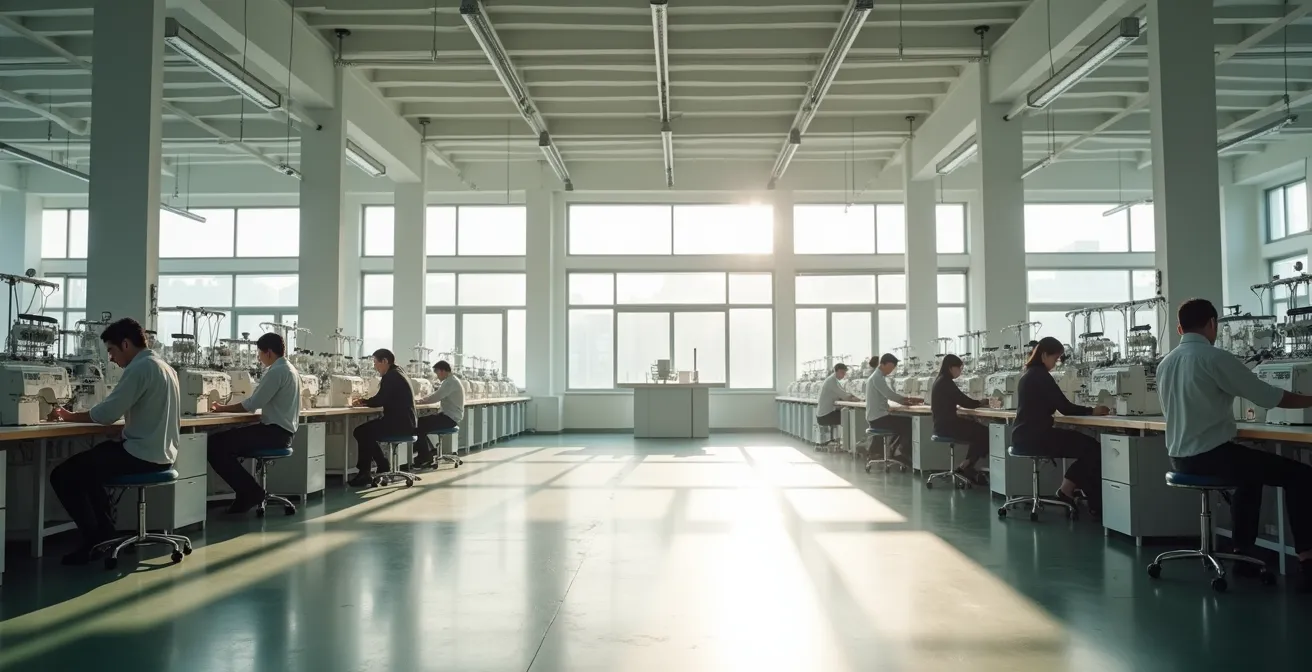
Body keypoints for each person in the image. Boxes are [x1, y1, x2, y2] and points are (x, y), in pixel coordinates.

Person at [1157, 298, 1312, 591]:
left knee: (1249, 477)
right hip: (1211, 456)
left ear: (1179, 328)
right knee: (1301, 475)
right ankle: (1307, 559)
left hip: (1179, 458)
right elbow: (1269, 397)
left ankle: (1243, 553)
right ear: (1212, 324)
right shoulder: (1215, 358)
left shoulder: (1166, 363)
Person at [50, 318, 181, 565]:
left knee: (63, 475)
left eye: (111, 350)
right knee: (90, 469)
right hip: (161, 455)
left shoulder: (140, 368)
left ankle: (94, 540)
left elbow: (107, 414)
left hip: (142, 456)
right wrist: (123, 431)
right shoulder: (165, 367)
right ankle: (105, 534)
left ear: (125, 344)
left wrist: (69, 416)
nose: (111, 358)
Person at [1012, 336, 1110, 515]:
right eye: (1055, 358)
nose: (1056, 364)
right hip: (1038, 437)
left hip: (1023, 436)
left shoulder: (1028, 374)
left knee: (1088, 447)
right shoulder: (1041, 376)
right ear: (1044, 355)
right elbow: (1065, 408)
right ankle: (1070, 491)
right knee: (1093, 449)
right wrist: (1092, 411)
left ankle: (1074, 491)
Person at [207, 333, 301, 513]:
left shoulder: (276, 371)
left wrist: (220, 408)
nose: (259, 358)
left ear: (268, 352)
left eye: (259, 353)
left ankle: (250, 492)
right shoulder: (291, 370)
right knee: (227, 440)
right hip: (283, 433)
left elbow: (252, 405)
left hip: (274, 434)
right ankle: (248, 491)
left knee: (215, 445)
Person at [348, 349, 417, 487]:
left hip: (399, 424)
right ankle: (381, 465)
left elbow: (380, 399)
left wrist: (363, 401)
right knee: (366, 432)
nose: (374, 366)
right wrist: (367, 401)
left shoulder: (391, 376)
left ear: (385, 361)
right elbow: (384, 397)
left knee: (361, 432)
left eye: (376, 362)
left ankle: (366, 473)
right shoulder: (399, 372)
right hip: (406, 422)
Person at [931, 354, 988, 484]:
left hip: (941, 426)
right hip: (948, 427)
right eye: (959, 368)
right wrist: (981, 402)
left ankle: (967, 464)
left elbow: (956, 400)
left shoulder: (939, 380)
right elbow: (964, 401)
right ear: (951, 368)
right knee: (984, 432)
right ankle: (967, 465)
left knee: (976, 428)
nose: (960, 372)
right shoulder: (946, 382)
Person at [866, 354, 924, 463]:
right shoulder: (877, 378)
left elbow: (881, 397)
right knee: (909, 422)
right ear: (884, 364)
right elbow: (889, 394)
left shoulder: (876, 377)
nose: (891, 370)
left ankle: (894, 449)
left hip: (876, 417)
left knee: (901, 421)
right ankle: (901, 451)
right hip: (878, 419)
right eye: (891, 367)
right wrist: (907, 400)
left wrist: (893, 405)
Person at [414, 360, 464, 468]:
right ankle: (430, 451)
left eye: (437, 373)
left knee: (418, 424)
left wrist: (420, 401)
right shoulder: (451, 381)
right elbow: (437, 394)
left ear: (442, 371)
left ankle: (424, 456)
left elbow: (437, 396)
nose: (437, 376)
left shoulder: (450, 382)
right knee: (422, 424)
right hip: (450, 417)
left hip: (449, 418)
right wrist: (423, 399)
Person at [815, 363, 858, 445]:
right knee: (850, 417)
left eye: (845, 373)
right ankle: (849, 444)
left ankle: (846, 443)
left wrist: (852, 396)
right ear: (836, 371)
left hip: (824, 414)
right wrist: (858, 399)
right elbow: (845, 396)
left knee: (847, 414)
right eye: (842, 372)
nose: (844, 375)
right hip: (825, 416)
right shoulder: (831, 381)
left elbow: (843, 394)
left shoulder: (834, 380)